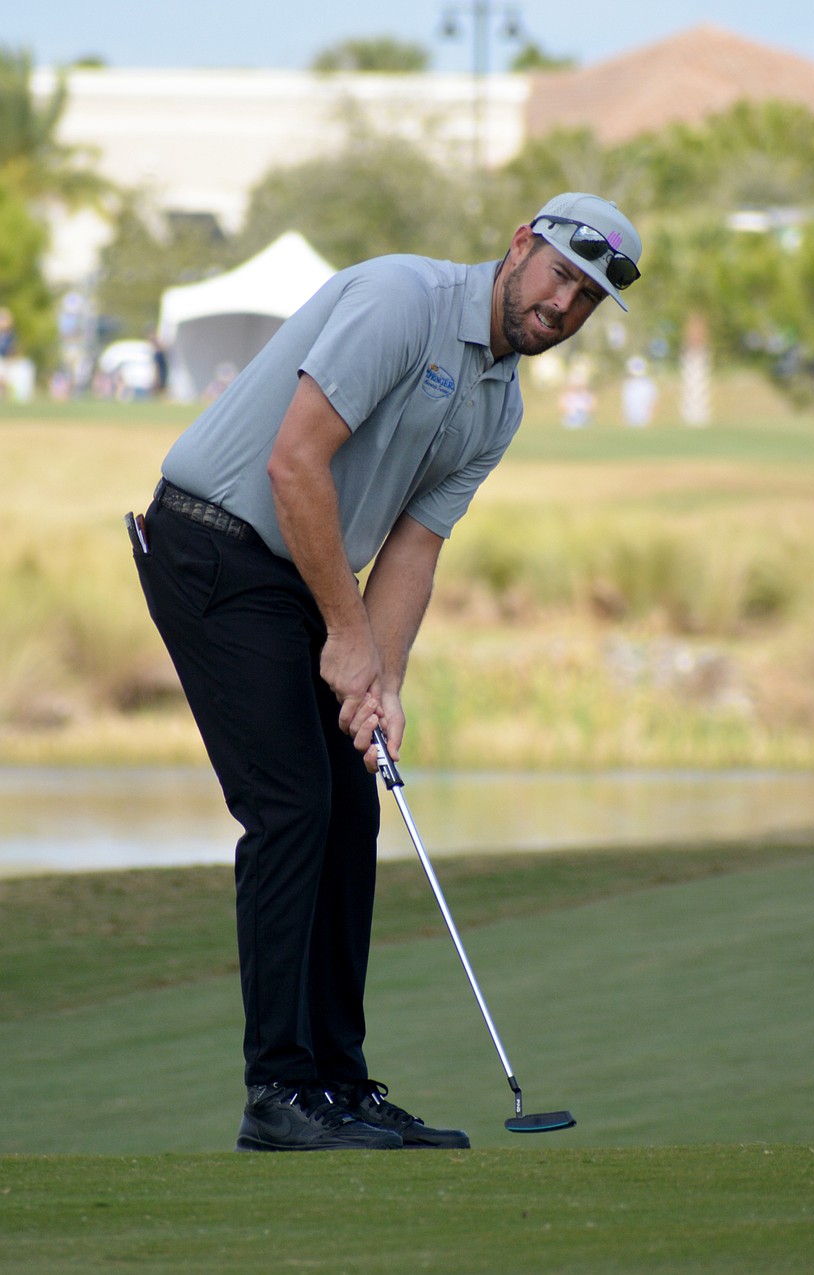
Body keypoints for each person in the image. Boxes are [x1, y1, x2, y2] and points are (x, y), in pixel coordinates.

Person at [127, 191, 643, 1153]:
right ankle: (279, 1091)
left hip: (297, 575)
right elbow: (294, 464)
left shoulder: (500, 401)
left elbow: (413, 547)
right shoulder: (402, 300)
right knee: (293, 807)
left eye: (589, 300)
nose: (566, 309)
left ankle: (339, 1084)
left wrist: (382, 683)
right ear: (521, 246)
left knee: (351, 805)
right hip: (210, 545)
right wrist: (344, 632)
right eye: (564, 279)